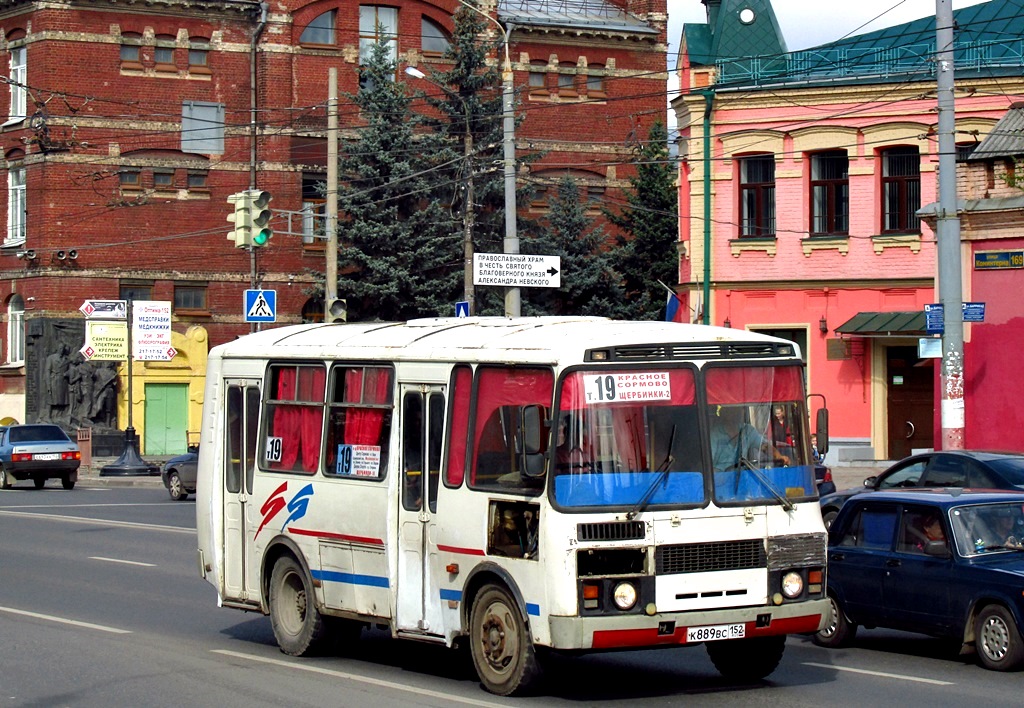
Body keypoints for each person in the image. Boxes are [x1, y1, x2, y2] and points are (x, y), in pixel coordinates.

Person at [710, 406, 790, 472]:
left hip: (742, 479)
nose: (736, 414)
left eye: (738, 410)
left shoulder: (747, 431)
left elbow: (764, 446)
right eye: (731, 410)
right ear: (724, 413)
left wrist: (779, 457)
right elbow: (708, 463)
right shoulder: (715, 434)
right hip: (720, 482)